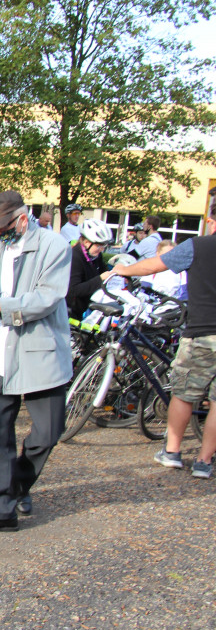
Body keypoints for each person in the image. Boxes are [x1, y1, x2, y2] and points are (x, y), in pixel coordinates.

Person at [0, 190, 72, 533]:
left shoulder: (54, 247)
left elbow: (46, 298)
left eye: (3, 226)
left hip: (40, 355)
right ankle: (1, 512)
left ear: (23, 219)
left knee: (49, 431)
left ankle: (16, 485)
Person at [111, 204, 216, 479]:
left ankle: (172, 451)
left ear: (210, 221)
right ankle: (204, 462)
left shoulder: (199, 246)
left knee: (183, 393)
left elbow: (156, 264)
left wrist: (125, 269)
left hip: (202, 333)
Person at [66, 218, 115, 321]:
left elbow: (104, 272)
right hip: (71, 312)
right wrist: (100, 279)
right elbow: (73, 290)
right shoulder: (75, 257)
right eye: (99, 245)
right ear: (87, 242)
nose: (102, 249)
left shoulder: (96, 255)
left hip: (88, 307)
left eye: (104, 245)